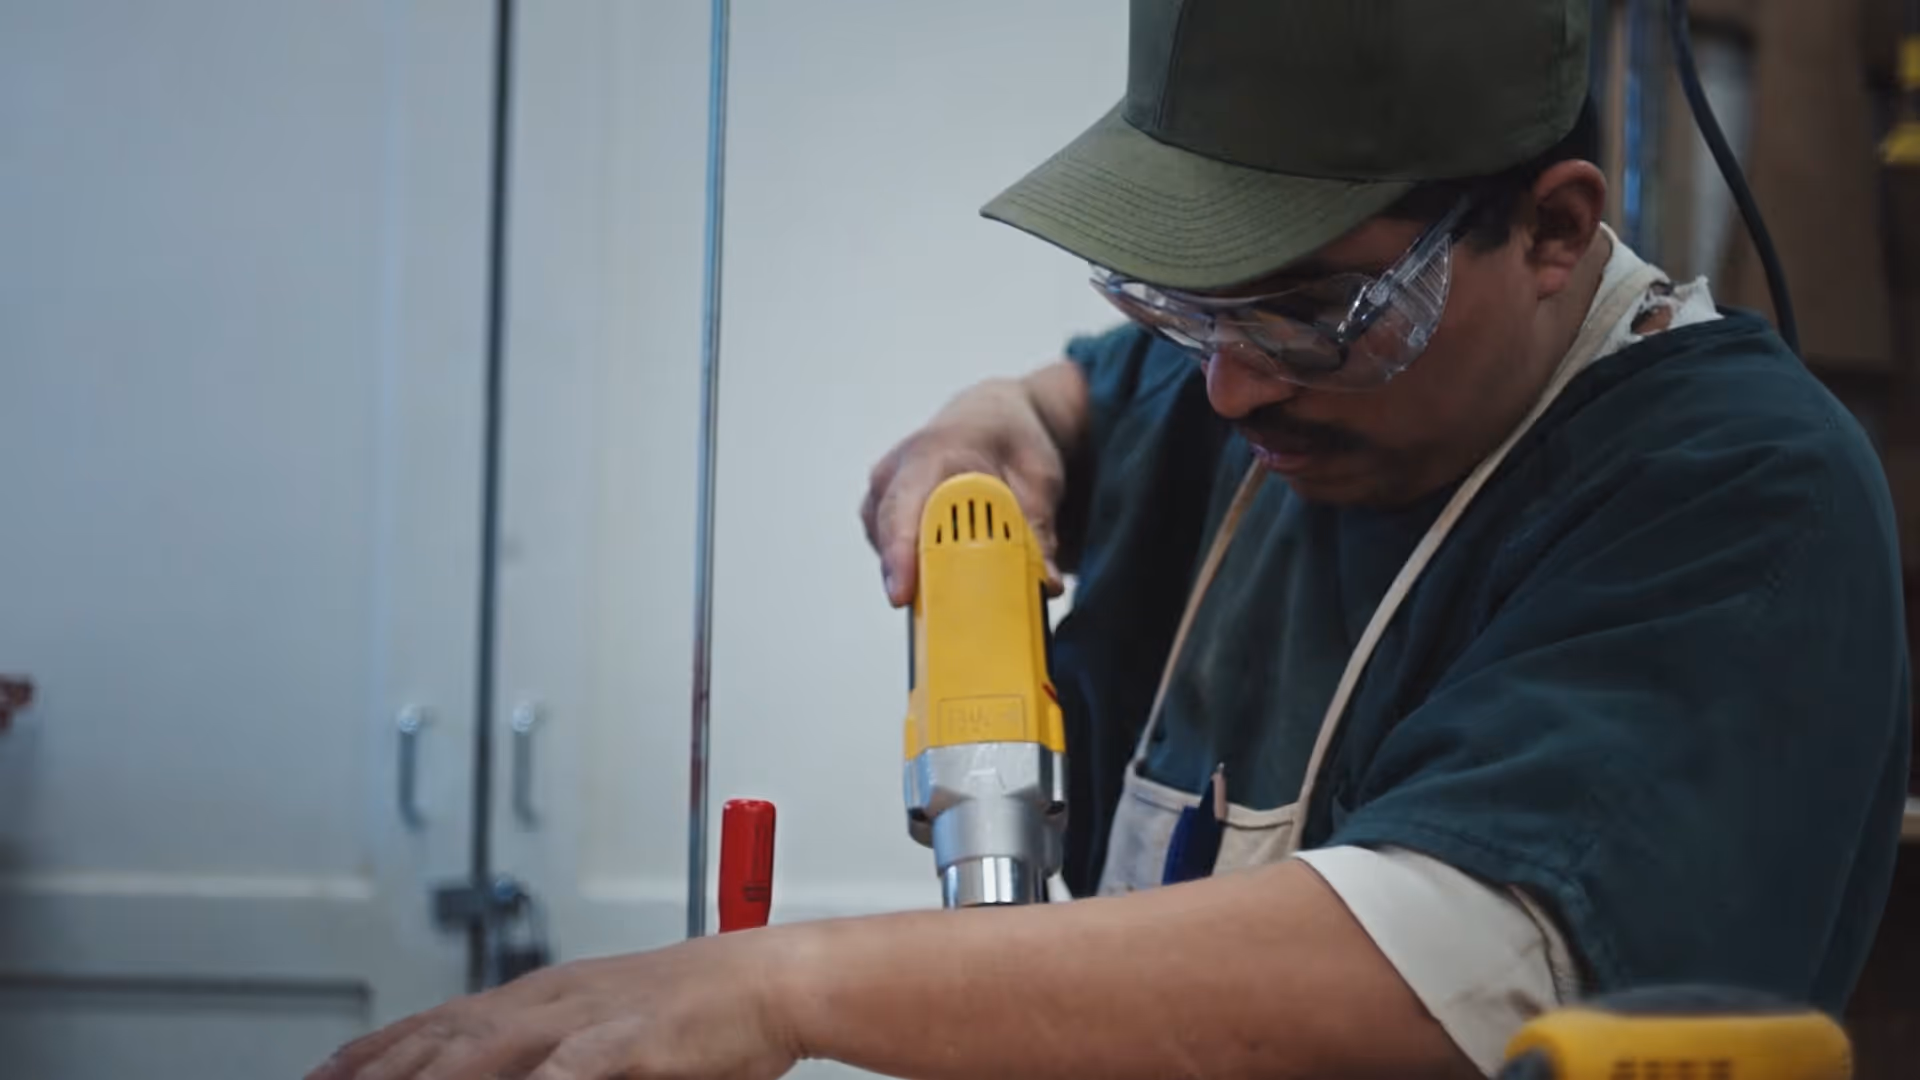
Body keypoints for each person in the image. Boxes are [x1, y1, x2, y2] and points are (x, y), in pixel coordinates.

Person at [309, 1, 1912, 1078]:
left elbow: (1437, 965)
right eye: (1181, 299)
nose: (1226, 380)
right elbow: (1090, 400)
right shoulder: (1262, 387)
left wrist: (778, 988)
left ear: (1557, 232)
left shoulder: (1735, 496)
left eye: (1305, 305)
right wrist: (996, 421)